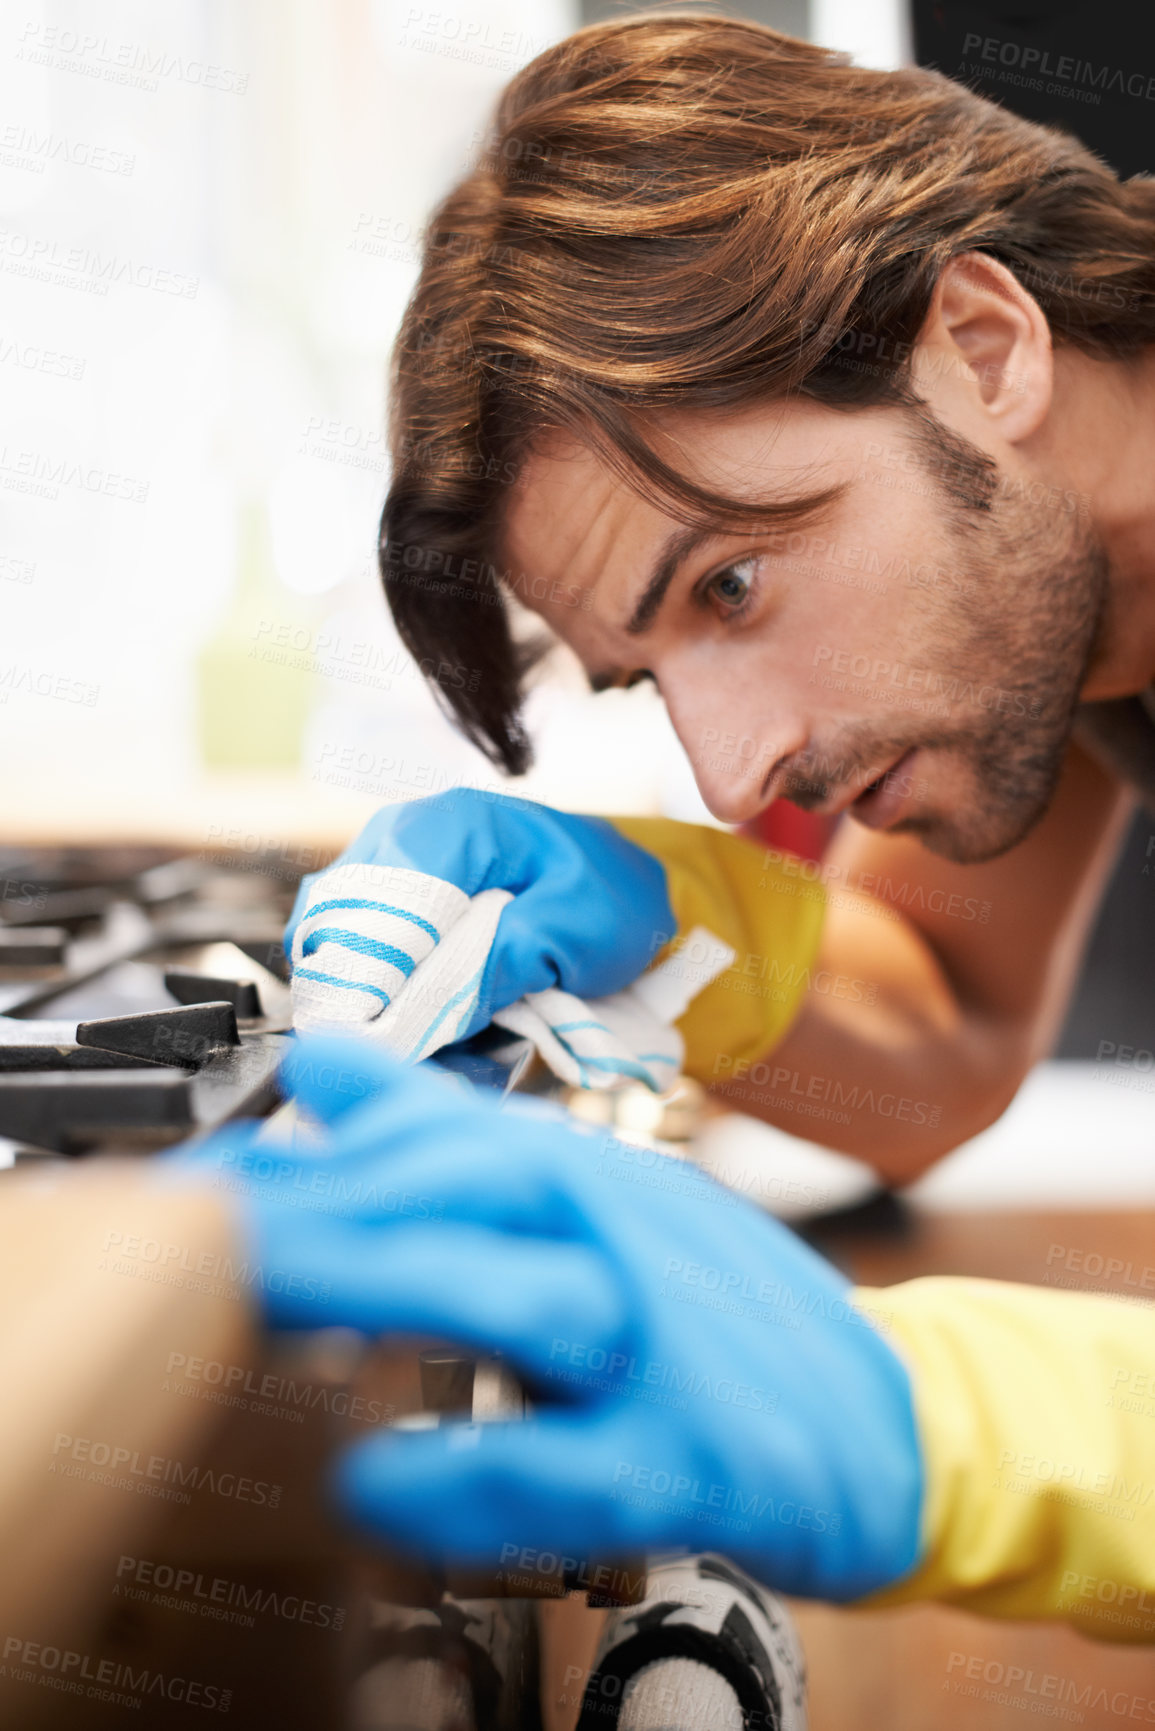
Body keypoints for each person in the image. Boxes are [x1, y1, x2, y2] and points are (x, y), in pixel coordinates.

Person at [272, 11, 1155, 1646]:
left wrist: (946, 1423)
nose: (741, 778)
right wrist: (663, 924)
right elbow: (941, 1037)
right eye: (649, 670)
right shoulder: (1077, 585)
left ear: (980, 344)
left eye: (733, 584)